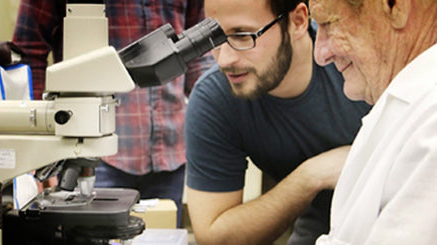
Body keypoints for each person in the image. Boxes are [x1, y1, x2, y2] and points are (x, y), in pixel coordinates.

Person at [12, 0, 215, 228]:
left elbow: (198, 54)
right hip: (90, 152)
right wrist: (41, 138)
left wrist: (214, 117)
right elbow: (28, 51)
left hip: (171, 151)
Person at [184, 0, 371, 244]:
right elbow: (215, 237)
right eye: (215, 40)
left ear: (298, 21)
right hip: (318, 225)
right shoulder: (216, 98)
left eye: (242, 36)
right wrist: (309, 177)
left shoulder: (362, 67)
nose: (224, 60)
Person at [309, 0, 437, 244]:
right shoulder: (407, 105)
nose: (321, 54)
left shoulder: (431, 124)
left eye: (328, 23)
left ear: (395, 6)